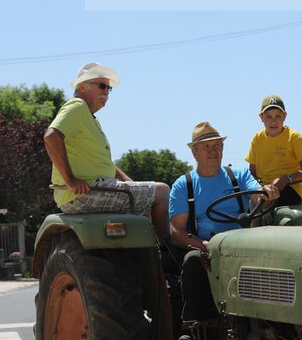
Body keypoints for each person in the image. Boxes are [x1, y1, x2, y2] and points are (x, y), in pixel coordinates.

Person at [44, 62, 169, 240]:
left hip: (95, 189)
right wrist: (71, 180)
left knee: (145, 210)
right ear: (82, 86)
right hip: (86, 192)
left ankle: (144, 257)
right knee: (162, 192)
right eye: (102, 85)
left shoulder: (90, 119)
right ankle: (166, 253)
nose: (106, 92)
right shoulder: (77, 106)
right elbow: (51, 137)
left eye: (109, 88)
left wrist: (132, 184)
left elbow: (110, 166)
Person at [169, 122, 280, 320]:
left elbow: (258, 197)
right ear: (195, 153)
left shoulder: (239, 175)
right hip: (206, 249)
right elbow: (177, 230)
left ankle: (273, 320)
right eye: (206, 146)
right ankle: (192, 324)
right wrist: (201, 245)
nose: (213, 151)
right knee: (192, 260)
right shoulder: (183, 185)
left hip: (242, 245)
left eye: (217, 145)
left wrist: (266, 193)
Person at [245, 94, 302, 207]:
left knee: (262, 205)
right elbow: (253, 172)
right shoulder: (257, 138)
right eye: (268, 116)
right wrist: (259, 188)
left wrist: (285, 179)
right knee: (242, 207)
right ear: (261, 117)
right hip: (263, 190)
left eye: (278, 116)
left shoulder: (294, 138)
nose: (273, 121)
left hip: (290, 189)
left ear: (284, 116)